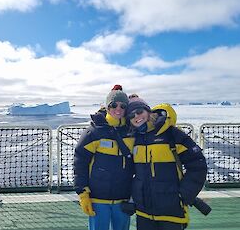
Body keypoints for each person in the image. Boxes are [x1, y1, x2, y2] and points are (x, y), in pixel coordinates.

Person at [126, 97, 207, 230]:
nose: (136, 116)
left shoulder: (171, 134)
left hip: (171, 212)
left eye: (139, 111)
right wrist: (132, 199)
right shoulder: (135, 139)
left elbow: (197, 164)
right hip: (143, 213)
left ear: (148, 111)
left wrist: (184, 194)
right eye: (131, 115)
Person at [74, 85, 134, 230]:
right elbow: (80, 163)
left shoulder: (132, 132)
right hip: (97, 198)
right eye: (113, 105)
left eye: (122, 105)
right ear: (107, 107)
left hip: (123, 198)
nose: (118, 109)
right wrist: (83, 193)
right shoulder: (94, 132)